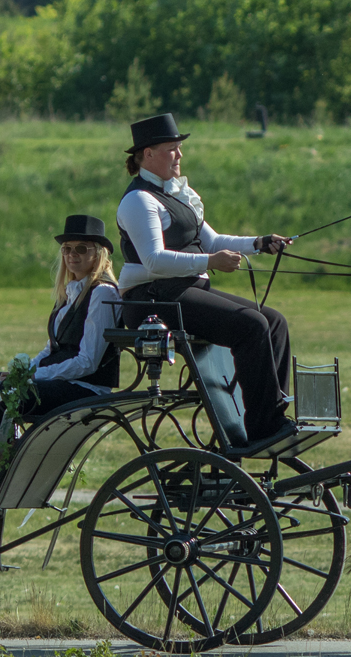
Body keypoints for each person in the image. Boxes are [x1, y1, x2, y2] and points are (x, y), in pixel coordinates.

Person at [114, 113, 296, 446]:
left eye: (179, 148)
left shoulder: (177, 193)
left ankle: (272, 411)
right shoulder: (138, 201)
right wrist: (210, 262)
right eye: (172, 149)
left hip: (183, 290)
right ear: (148, 154)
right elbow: (154, 261)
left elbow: (211, 240)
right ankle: (262, 428)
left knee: (274, 322)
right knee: (252, 326)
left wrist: (258, 243)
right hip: (153, 298)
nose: (180, 156)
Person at [0, 215, 124, 431]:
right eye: (67, 249)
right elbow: (51, 349)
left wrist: (36, 376)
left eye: (81, 248)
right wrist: (25, 372)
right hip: (62, 380)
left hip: (86, 387)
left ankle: (2, 460)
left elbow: (88, 362)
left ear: (99, 253)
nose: (72, 254)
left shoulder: (103, 293)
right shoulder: (70, 292)